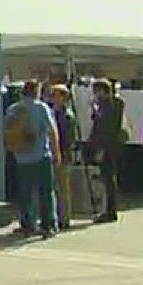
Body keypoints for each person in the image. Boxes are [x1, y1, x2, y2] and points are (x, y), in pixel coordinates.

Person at [5, 79, 59, 238]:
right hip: (41, 155)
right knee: (46, 192)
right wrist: (57, 153)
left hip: (20, 157)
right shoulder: (41, 108)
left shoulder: (13, 109)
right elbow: (51, 130)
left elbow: (7, 132)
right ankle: (48, 225)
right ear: (37, 91)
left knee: (25, 193)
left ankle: (27, 224)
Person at [86, 79, 126, 223]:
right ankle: (111, 209)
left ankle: (109, 210)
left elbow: (103, 127)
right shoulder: (117, 103)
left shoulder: (106, 105)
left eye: (96, 91)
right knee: (110, 178)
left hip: (106, 146)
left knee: (107, 178)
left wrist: (100, 148)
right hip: (114, 146)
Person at [47, 83, 79, 229]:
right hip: (55, 153)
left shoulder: (66, 116)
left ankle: (64, 218)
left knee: (63, 188)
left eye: (55, 95)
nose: (52, 98)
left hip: (63, 155)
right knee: (54, 188)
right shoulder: (53, 112)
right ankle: (56, 216)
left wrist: (58, 151)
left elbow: (66, 138)